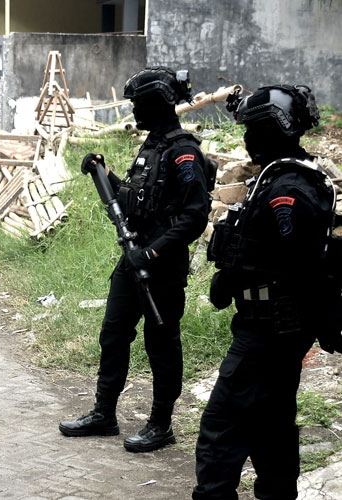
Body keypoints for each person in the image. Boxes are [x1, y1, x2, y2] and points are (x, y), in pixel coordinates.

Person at [193, 85, 341, 499]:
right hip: (271, 328)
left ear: (273, 131)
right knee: (271, 426)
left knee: (221, 431)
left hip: (270, 331)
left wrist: (236, 272)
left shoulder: (289, 188)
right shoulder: (280, 177)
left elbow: (297, 263)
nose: (246, 139)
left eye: (252, 129)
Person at [59, 67, 211, 452]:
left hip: (161, 265)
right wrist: (103, 172)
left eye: (139, 103)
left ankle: (161, 425)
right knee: (113, 335)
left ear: (157, 103)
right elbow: (133, 202)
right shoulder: (151, 147)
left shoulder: (184, 152)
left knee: (161, 345)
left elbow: (194, 217)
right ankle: (104, 414)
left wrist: (154, 250)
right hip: (133, 258)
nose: (134, 110)